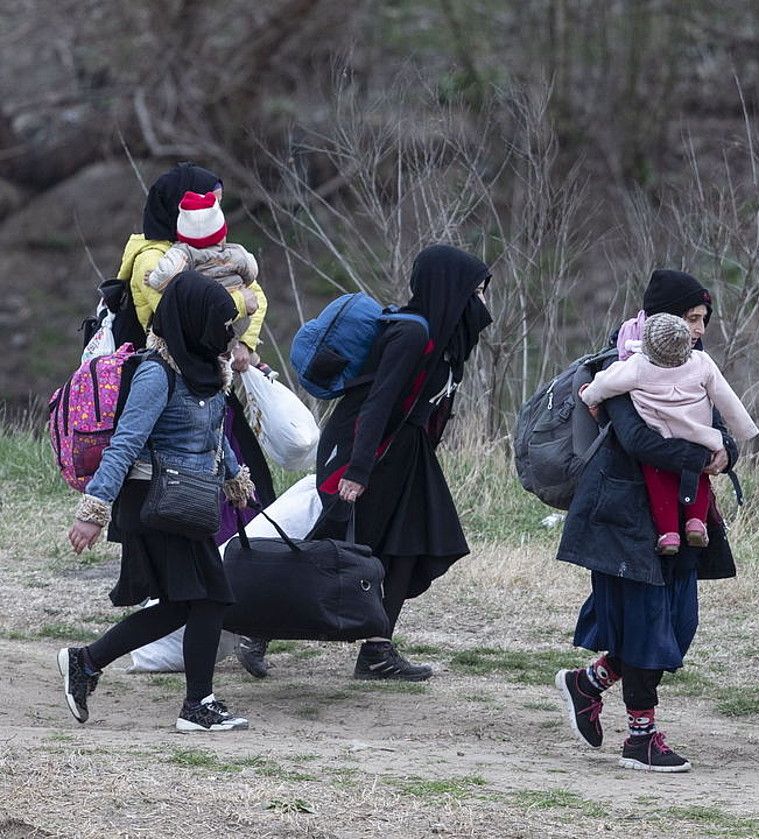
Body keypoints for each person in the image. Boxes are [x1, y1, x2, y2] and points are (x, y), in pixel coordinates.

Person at [241, 244, 493, 682]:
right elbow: (377, 404)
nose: (484, 303)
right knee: (331, 550)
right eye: (478, 291)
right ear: (452, 289)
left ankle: (378, 649)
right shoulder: (413, 334)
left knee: (408, 547)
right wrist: (357, 471)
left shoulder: (444, 342)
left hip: (406, 456)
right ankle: (255, 628)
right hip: (364, 453)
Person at [554, 269, 741, 773]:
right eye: (691, 318)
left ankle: (588, 682)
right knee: (646, 629)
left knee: (679, 627)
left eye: (703, 319)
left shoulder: (693, 367)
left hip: (682, 517)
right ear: (664, 319)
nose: (699, 329)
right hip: (625, 520)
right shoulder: (625, 367)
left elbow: (721, 426)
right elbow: (637, 440)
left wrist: (729, 451)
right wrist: (702, 454)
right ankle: (640, 737)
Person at [59, 272, 255, 733]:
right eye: (219, 323)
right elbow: (125, 444)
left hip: (186, 500)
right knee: (212, 598)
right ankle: (197, 705)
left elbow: (213, 435)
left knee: (179, 604)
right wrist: (92, 511)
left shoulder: (208, 369)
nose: (226, 333)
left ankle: (86, 662)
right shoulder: (155, 372)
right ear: (193, 321)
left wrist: (236, 479)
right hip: (154, 502)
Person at [116, 163, 277, 541]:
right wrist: (241, 300)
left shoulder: (198, 252)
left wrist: (244, 342)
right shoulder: (154, 260)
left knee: (241, 470)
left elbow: (258, 297)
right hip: (172, 386)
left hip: (206, 378)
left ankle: (237, 556)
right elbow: (189, 313)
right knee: (185, 483)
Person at [580, 312, 758, 553]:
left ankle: (669, 534)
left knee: (659, 481)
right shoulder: (701, 362)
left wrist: (588, 395)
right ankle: (696, 522)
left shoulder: (638, 366)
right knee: (700, 475)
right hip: (700, 436)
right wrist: (744, 430)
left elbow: (606, 383)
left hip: (661, 436)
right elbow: (726, 397)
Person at [145, 190, 260, 349]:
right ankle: (225, 351)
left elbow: (166, 275)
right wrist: (241, 282)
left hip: (202, 317)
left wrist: (152, 279)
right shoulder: (236, 253)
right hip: (237, 316)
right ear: (222, 234)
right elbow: (252, 272)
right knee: (232, 334)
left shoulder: (183, 253)